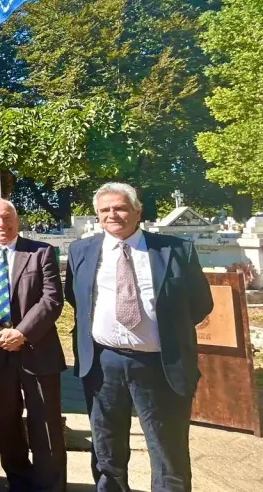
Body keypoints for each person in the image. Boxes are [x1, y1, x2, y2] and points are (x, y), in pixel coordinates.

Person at [65, 183, 212, 492]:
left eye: (120, 208)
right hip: (103, 364)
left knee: (168, 450)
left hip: (160, 364)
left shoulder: (175, 250)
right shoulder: (81, 251)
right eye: (105, 210)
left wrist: (164, 331)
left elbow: (200, 303)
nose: (112, 215)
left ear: (137, 211)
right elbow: (76, 298)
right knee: (106, 449)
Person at [0, 198, 66, 492]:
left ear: (17, 218)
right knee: (8, 421)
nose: (2, 224)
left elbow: (52, 299)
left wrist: (21, 333)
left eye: (7, 217)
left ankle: (49, 484)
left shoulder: (41, 252)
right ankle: (19, 480)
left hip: (38, 350)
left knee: (45, 421)